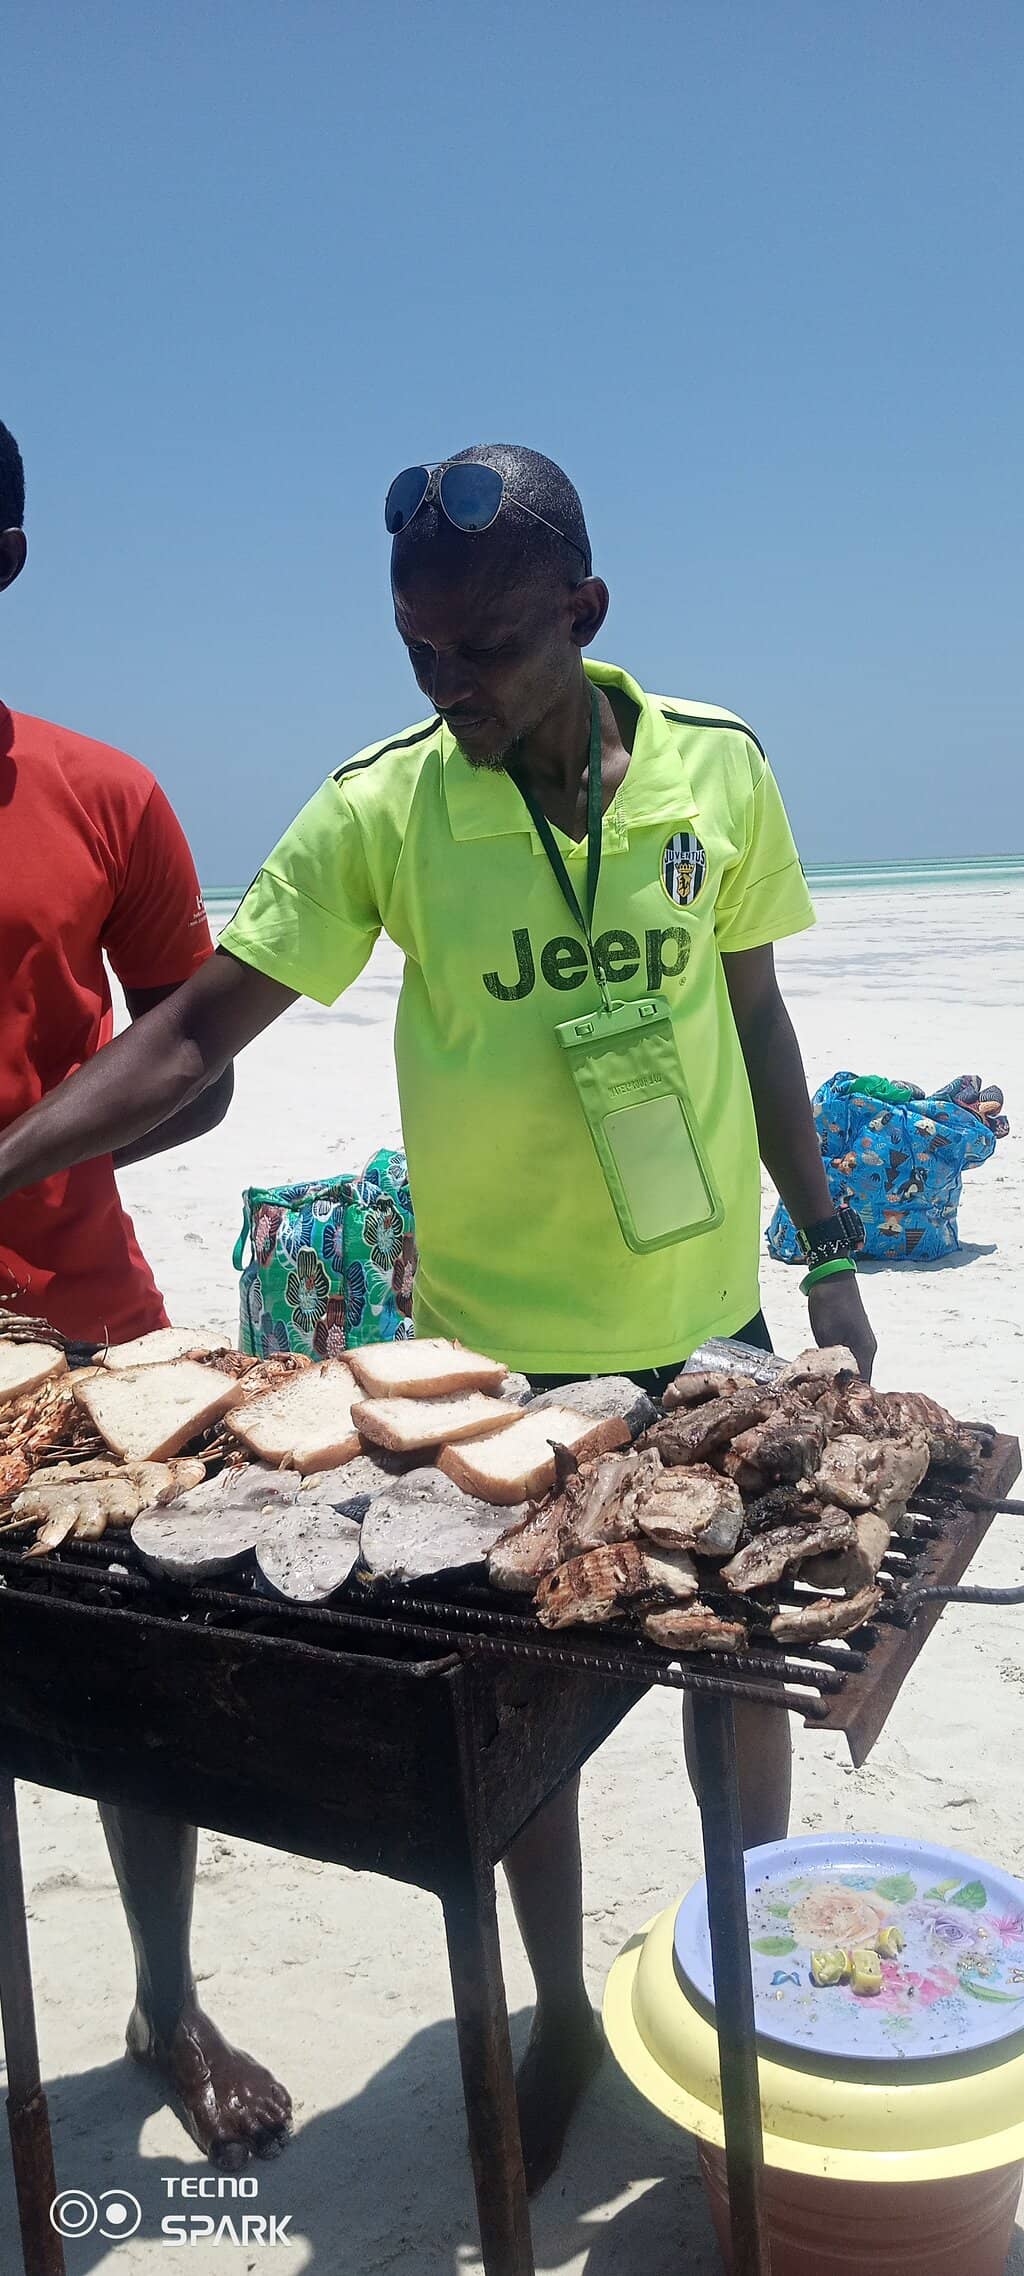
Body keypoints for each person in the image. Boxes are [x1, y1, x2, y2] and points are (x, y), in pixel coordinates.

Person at [0, 441, 875, 2188]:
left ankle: (745, 1987)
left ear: (584, 609)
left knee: (739, 1686)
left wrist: (829, 1243)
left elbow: (760, 1019)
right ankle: (555, 2010)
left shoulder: (718, 770)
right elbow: (186, 1038)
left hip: (708, 1321)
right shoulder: (383, 807)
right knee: (508, 1732)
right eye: (419, 653)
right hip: (488, 1354)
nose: (450, 687)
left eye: (484, 649)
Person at [0, 418, 291, 2165]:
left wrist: (47, 1165)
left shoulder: (102, 791)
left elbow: (204, 1058)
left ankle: (162, 1997)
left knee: (134, 1712)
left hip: (89, 1333)